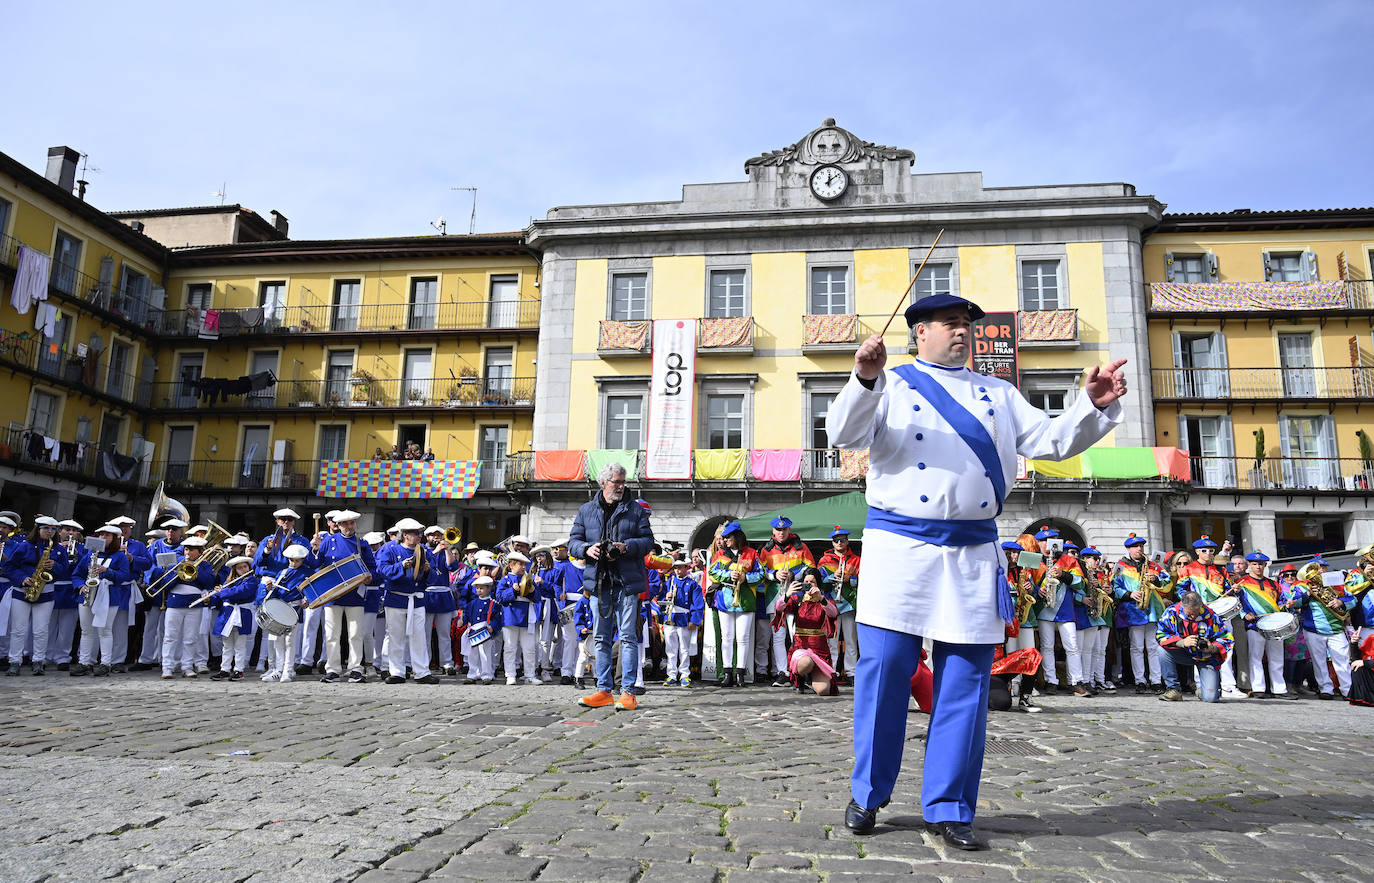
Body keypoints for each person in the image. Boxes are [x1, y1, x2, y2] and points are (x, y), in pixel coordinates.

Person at [827, 291, 1126, 847]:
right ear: (920, 333)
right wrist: (865, 379)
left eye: (966, 324)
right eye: (950, 324)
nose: (963, 332)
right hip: (900, 547)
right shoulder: (891, 384)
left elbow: (1052, 441)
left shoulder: (1000, 393)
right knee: (885, 672)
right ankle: (868, 793)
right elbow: (843, 434)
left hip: (971, 552)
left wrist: (1093, 406)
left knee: (964, 682)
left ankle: (949, 806)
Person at [569, 461, 655, 711]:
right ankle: (604, 691)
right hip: (599, 583)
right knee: (601, 638)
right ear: (603, 482)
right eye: (616, 481)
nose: (620, 486)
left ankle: (627, 691)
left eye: (622, 481)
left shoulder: (636, 510)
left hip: (626, 583)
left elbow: (648, 542)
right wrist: (587, 549)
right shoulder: (586, 510)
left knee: (627, 637)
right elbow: (574, 541)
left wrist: (625, 547)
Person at [1176, 536, 1242, 698]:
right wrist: (1191, 604)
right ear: (1197, 552)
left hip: (1221, 614)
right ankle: (1201, 685)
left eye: (1211, 551)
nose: (1208, 554)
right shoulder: (1188, 569)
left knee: (1226, 647)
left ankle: (1228, 685)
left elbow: (1228, 591)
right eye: (1204, 551)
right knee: (1199, 647)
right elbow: (1180, 590)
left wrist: (1234, 589)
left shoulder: (1221, 569)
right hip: (1200, 613)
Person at [315, 510, 378, 683]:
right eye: (345, 524)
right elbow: (316, 564)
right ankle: (333, 669)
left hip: (355, 594)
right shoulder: (327, 541)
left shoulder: (361, 543)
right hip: (333, 594)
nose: (349, 527)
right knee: (332, 634)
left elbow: (372, 567)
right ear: (338, 525)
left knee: (355, 633)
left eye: (352, 523)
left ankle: (355, 669)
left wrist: (369, 576)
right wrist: (314, 549)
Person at [3, 515, 69, 676]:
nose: (50, 532)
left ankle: (39, 661)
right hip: (22, 591)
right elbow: (9, 567)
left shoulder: (58, 549)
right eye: (46, 528)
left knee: (41, 629)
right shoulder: (24, 546)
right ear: (38, 529)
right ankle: (14, 661)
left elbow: (66, 571)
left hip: (45, 593)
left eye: (53, 529)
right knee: (18, 629)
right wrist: (21, 578)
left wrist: (56, 566)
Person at [758, 515, 815, 687]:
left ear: (789, 530)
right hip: (774, 597)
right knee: (778, 637)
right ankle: (783, 672)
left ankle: (800, 670)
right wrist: (774, 574)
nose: (781, 533)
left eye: (784, 530)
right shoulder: (766, 549)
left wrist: (794, 574)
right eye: (778, 530)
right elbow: (759, 571)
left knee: (796, 635)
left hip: (797, 597)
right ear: (773, 531)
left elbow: (812, 567)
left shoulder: (801, 547)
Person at [1032, 527, 1089, 697]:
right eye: (1043, 542)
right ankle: (1051, 681)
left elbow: (1081, 583)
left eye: (1051, 541)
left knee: (1072, 646)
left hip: (1065, 608)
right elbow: (1027, 580)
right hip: (1043, 608)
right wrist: (1037, 590)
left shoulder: (1068, 560)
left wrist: (1064, 574)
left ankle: (1076, 682)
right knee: (1047, 646)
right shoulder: (1035, 560)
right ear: (1039, 544)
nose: (1047, 545)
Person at [707, 522, 764, 687]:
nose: (724, 540)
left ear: (737, 537)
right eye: (723, 538)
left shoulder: (752, 553)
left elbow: (761, 574)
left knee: (743, 638)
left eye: (727, 537)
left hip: (746, 600)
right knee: (727, 638)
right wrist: (727, 575)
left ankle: (740, 673)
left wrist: (746, 578)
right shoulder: (720, 554)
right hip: (725, 600)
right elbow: (712, 572)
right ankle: (727, 673)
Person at [1233, 549, 1296, 699]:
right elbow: (1236, 603)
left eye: (1261, 564)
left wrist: (1285, 605)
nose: (1258, 567)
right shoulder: (1241, 583)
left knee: (1277, 657)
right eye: (1255, 564)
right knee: (1255, 657)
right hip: (1254, 625)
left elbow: (1279, 601)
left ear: (1265, 565)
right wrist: (1244, 614)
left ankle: (1279, 689)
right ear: (1249, 565)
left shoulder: (1273, 584)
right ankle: (1258, 688)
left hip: (1274, 625)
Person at [1112, 534, 1168, 693]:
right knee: (1136, 647)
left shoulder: (1153, 565)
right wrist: (1129, 594)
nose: (1140, 549)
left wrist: (1156, 578)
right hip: (1133, 611)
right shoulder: (1120, 566)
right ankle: (1140, 680)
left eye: (1142, 546)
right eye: (1136, 546)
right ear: (1128, 549)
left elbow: (1167, 580)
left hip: (1152, 611)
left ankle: (1156, 680)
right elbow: (1114, 587)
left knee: (1153, 647)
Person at [73, 524, 131, 677]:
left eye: (107, 535)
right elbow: (77, 574)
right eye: (101, 535)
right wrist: (80, 585)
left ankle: (105, 663)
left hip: (108, 596)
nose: (103, 538)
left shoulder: (120, 556)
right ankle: (84, 662)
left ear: (114, 539)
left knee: (105, 630)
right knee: (86, 630)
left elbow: (125, 576)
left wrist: (108, 571)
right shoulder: (89, 555)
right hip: (88, 593)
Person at [1156, 591, 1234, 702]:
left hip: (1205, 656)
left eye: (1196, 613)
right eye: (1189, 614)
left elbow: (1226, 637)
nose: (1193, 616)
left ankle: (1203, 689)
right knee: (1162, 650)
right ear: (1183, 606)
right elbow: (1161, 634)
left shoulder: (1210, 615)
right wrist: (1182, 642)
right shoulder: (1171, 613)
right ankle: (1173, 689)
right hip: (1182, 653)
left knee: (1211, 698)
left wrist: (1213, 647)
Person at [158, 535, 215, 679]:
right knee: (170, 637)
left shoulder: (205, 565)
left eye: (191, 550)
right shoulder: (177, 562)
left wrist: (196, 568)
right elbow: (165, 584)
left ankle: (187, 666)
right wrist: (179, 572)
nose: (187, 553)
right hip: (175, 602)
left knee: (191, 637)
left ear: (200, 552)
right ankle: (167, 667)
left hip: (194, 604)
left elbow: (208, 583)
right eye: (186, 550)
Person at [1294, 560, 1353, 699]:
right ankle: (1326, 689)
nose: (1320, 571)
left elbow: (1353, 599)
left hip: (1336, 628)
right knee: (1319, 662)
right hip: (1313, 629)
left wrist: (1341, 602)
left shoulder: (1337, 583)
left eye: (1323, 568)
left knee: (1342, 661)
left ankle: (1348, 690)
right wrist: (1307, 595)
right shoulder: (1302, 586)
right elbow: (1294, 603)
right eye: (1317, 569)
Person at [775, 567, 839, 695]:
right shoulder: (797, 600)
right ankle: (801, 677)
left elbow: (833, 613)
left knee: (823, 691)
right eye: (806, 582)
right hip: (801, 648)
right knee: (806, 662)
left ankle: (812, 678)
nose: (808, 585)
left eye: (812, 582)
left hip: (820, 650)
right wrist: (787, 594)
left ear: (818, 584)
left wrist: (821, 598)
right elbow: (779, 608)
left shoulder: (824, 600)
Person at [257, 544, 310, 683]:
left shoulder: (306, 573)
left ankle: (288, 670)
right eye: (291, 560)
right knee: (277, 641)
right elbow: (275, 591)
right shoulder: (283, 572)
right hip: (280, 609)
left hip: (294, 609)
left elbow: (310, 591)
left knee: (290, 642)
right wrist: (269, 589)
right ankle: (278, 670)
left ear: (302, 560)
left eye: (297, 560)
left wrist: (306, 600)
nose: (294, 563)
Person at [817, 526, 861, 684]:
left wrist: (850, 580)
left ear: (847, 541)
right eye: (836, 540)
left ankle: (851, 673)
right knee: (832, 641)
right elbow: (818, 580)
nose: (840, 542)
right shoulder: (825, 560)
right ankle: (831, 671)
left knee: (851, 640)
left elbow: (865, 580)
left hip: (849, 604)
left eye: (842, 539)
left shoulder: (857, 560)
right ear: (833, 543)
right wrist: (831, 577)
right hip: (831, 604)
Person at [209, 555, 259, 681]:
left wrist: (222, 592)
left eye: (245, 567)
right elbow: (224, 597)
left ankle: (238, 669)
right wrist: (211, 597)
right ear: (234, 570)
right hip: (227, 615)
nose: (243, 570)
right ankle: (224, 669)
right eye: (239, 568)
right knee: (226, 645)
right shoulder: (228, 582)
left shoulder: (252, 581)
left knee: (240, 645)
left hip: (242, 614)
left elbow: (240, 592)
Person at [496, 551, 541, 685]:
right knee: (510, 647)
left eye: (524, 564)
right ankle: (510, 674)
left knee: (529, 648)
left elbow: (538, 599)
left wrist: (533, 591)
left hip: (527, 616)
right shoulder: (505, 579)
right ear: (511, 565)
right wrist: (513, 591)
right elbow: (500, 598)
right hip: (510, 616)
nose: (523, 567)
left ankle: (530, 675)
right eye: (520, 564)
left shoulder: (528, 578)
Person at [661, 554, 705, 686]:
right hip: (671, 617)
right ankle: (671, 674)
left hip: (684, 618)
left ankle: (685, 674)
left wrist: (694, 620)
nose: (678, 571)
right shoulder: (669, 583)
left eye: (680, 568)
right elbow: (660, 601)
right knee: (670, 648)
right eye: (676, 568)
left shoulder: (692, 584)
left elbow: (697, 604)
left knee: (684, 649)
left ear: (687, 567)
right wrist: (666, 597)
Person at [463, 576, 502, 684]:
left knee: (486, 654)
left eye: (482, 588)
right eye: (477, 588)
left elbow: (497, 618)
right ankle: (472, 674)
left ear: (489, 589)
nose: (479, 591)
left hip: (486, 632)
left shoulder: (493, 604)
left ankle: (487, 675)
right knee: (472, 654)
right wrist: (462, 620)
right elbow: (467, 613)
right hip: (474, 631)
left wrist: (493, 626)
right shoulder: (472, 603)